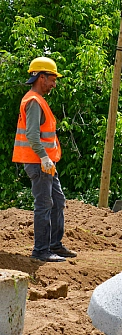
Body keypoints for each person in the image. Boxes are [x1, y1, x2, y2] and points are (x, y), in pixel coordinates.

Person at [12, 57, 76, 262]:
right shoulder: (33, 101)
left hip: (45, 162)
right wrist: (44, 157)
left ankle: (54, 244)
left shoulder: (37, 100)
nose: (53, 84)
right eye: (52, 79)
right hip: (39, 162)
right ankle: (40, 250)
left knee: (57, 201)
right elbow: (32, 135)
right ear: (41, 77)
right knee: (44, 204)